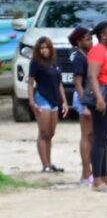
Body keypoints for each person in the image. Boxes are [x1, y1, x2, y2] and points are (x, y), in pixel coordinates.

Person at [86, 21, 107, 192]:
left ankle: (104, 176)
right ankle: (97, 179)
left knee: (105, 138)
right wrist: (100, 99)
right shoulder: (97, 50)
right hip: (102, 96)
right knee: (100, 138)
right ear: (103, 36)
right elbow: (92, 77)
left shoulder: (106, 51)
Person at [27, 36, 68, 173]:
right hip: (42, 98)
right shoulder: (36, 63)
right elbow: (31, 82)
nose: (44, 51)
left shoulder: (55, 62)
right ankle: (45, 165)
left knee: (51, 133)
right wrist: (32, 101)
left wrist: (65, 102)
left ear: (50, 48)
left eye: (46, 47)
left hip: (55, 99)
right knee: (43, 133)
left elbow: (59, 83)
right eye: (41, 48)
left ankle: (49, 163)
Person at [68, 26, 94, 185]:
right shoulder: (79, 57)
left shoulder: (87, 54)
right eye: (87, 39)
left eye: (91, 38)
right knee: (86, 135)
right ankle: (86, 173)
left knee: (91, 135)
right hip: (84, 96)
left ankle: (88, 172)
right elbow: (77, 82)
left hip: (89, 95)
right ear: (79, 41)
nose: (91, 41)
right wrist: (85, 103)